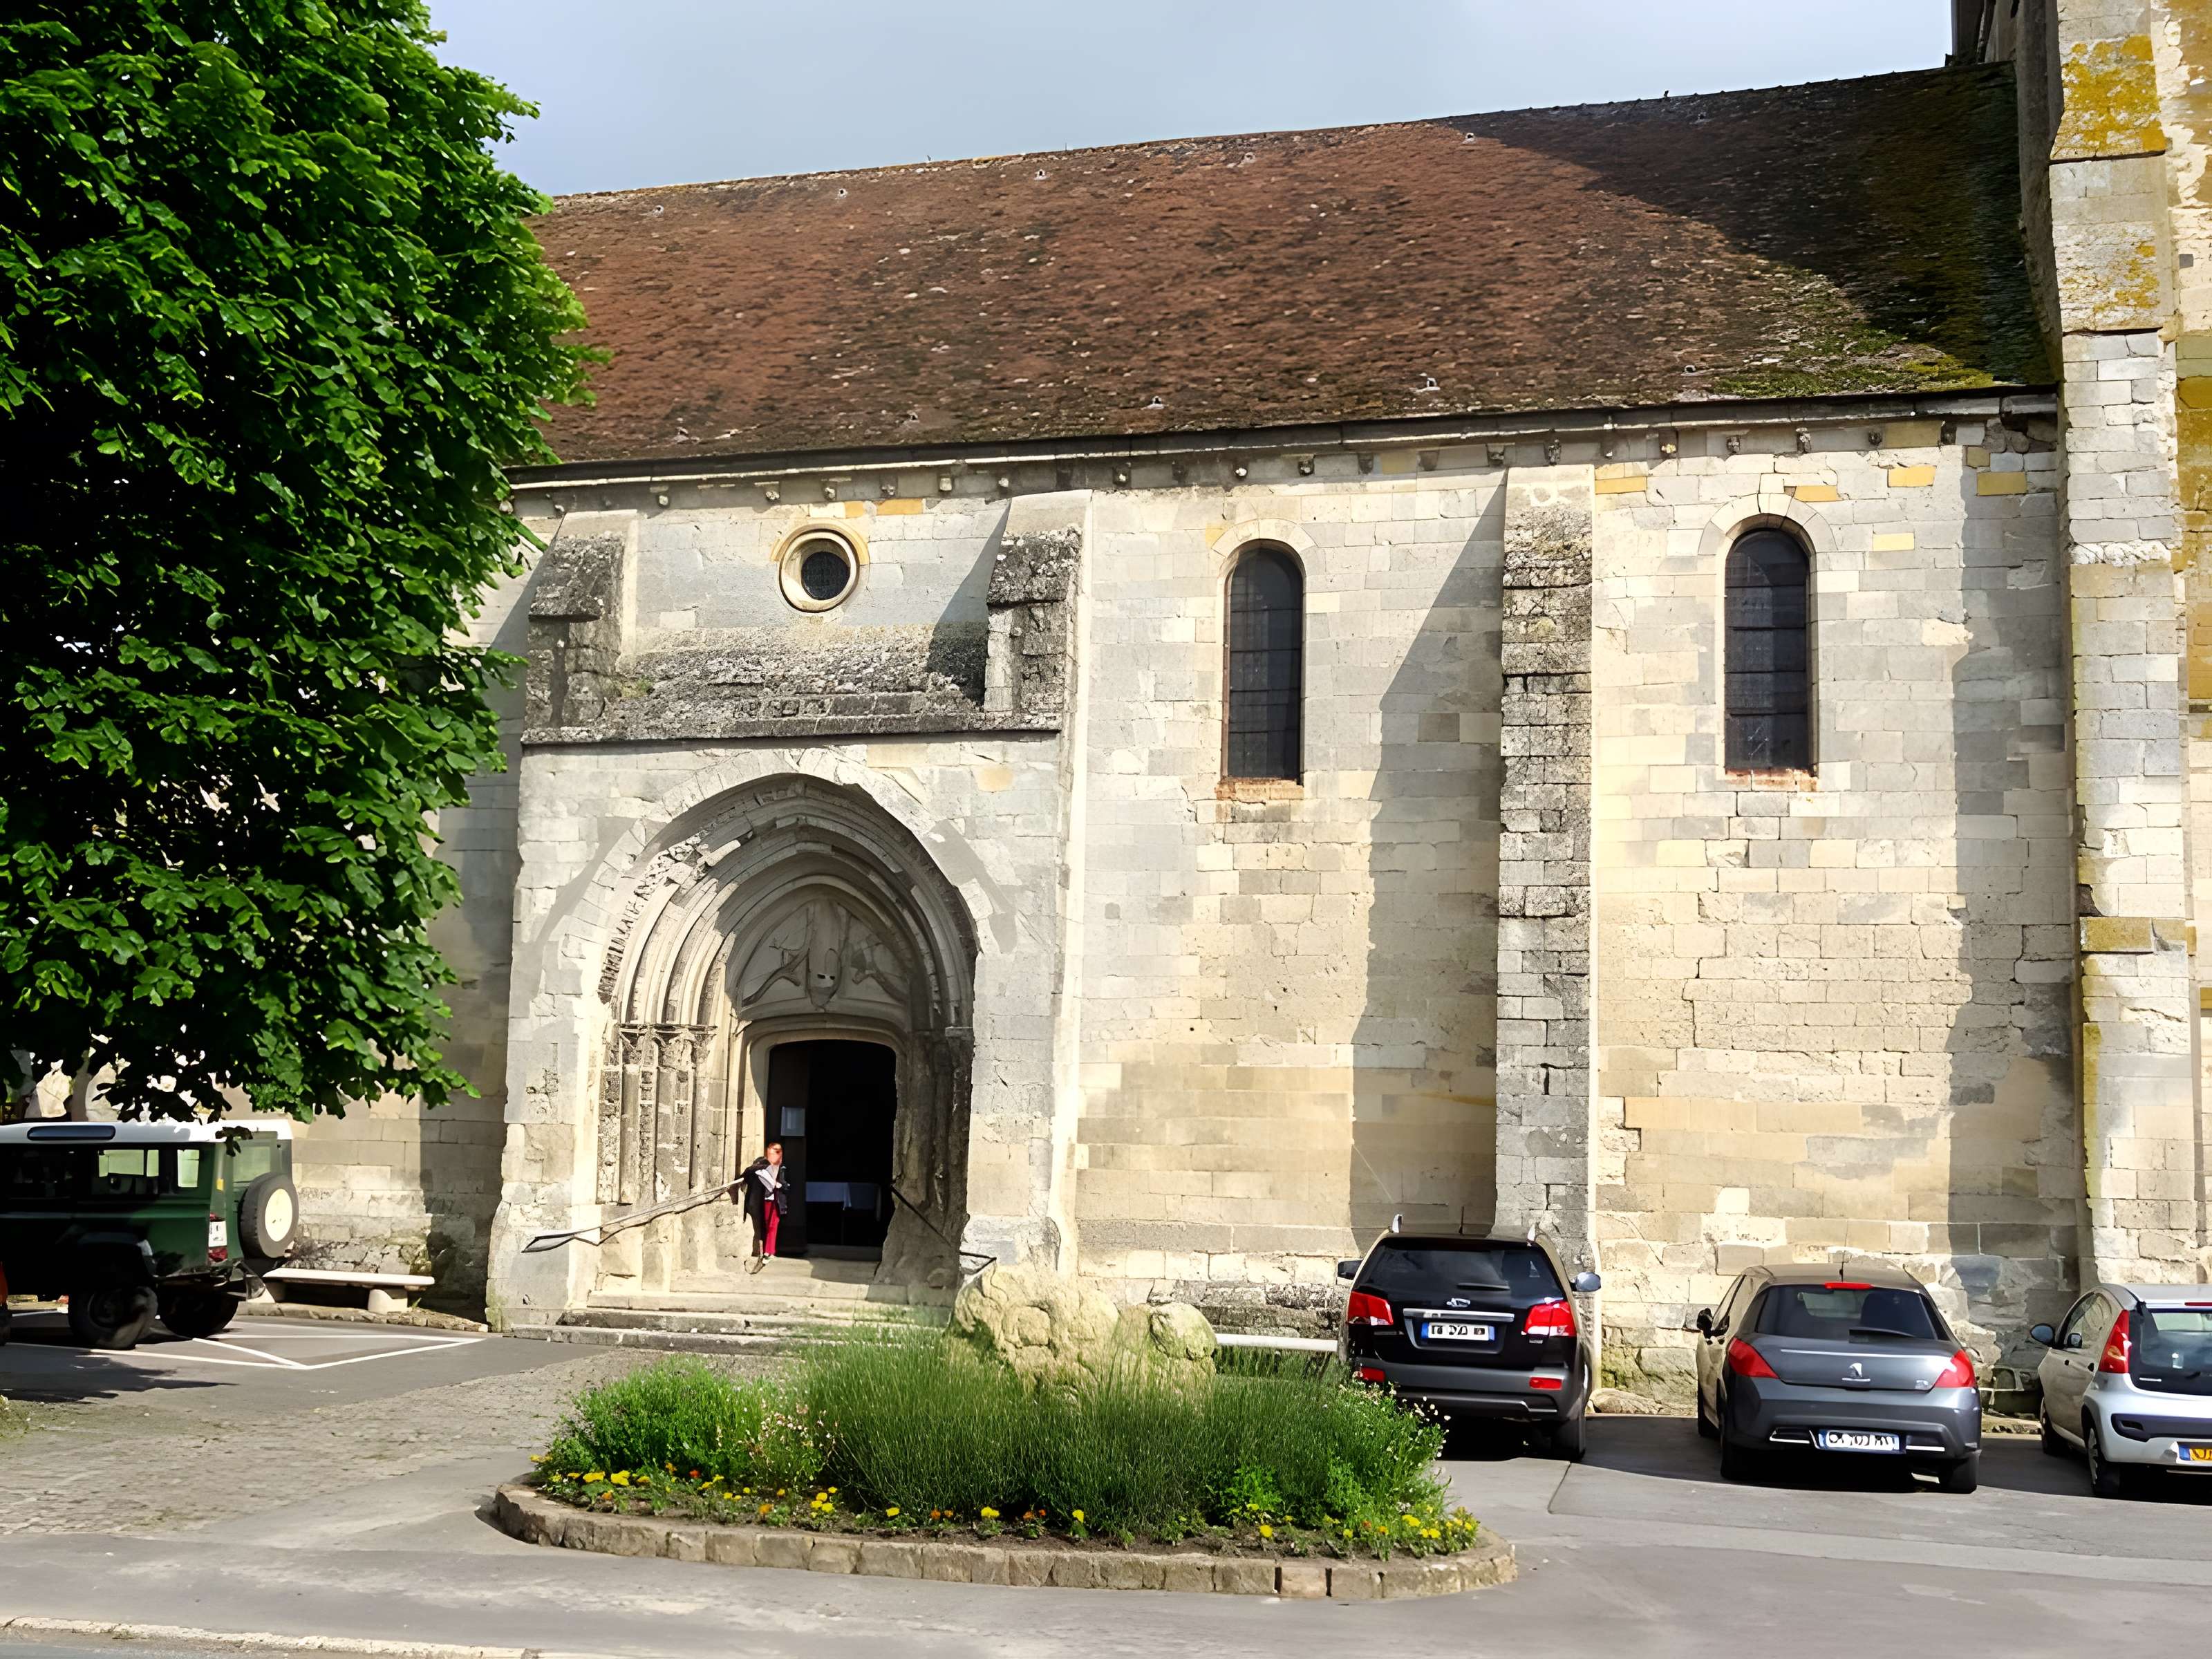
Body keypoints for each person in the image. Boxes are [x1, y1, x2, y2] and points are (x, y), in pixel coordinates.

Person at [732, 1141, 790, 1273]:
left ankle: (765, 1251)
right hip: (763, 1202)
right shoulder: (764, 1167)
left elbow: (742, 1179)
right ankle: (765, 1252)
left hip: (763, 1201)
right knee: (768, 1226)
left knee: (767, 1226)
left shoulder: (760, 1168)